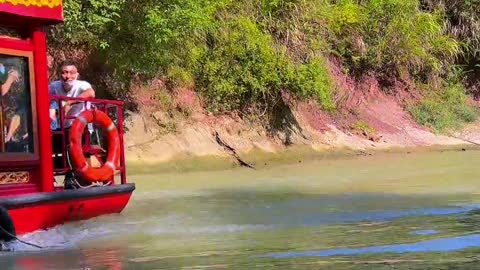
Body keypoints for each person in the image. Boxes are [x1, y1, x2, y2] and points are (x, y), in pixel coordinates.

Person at [49, 60, 95, 189]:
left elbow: (91, 93)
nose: (67, 76)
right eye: (64, 73)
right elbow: (45, 99)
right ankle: (50, 177)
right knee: (47, 143)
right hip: (59, 124)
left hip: (78, 124)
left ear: (77, 74)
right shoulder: (54, 86)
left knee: (71, 143)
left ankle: (75, 177)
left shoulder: (81, 85)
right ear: (60, 74)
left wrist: (69, 102)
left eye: (71, 73)